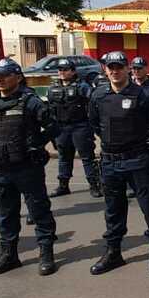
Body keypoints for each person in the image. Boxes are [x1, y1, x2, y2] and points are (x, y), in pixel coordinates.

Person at [88, 52, 149, 276]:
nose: (114, 71)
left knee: (148, 206)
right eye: (110, 67)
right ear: (105, 69)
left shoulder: (143, 95)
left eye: (119, 67)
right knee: (113, 209)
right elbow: (95, 124)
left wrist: (147, 148)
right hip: (110, 161)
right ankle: (113, 252)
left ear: (127, 69)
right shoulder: (98, 96)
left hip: (137, 160)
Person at [0, 57, 59, 277]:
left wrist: (35, 144)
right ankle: (9, 255)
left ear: (18, 77)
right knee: (6, 214)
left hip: (26, 167)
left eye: (5, 75)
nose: (0, 79)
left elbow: (54, 127)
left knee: (39, 210)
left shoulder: (31, 101)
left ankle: (46, 252)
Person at [46, 58, 101, 198]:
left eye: (65, 70)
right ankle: (63, 185)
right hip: (61, 128)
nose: (62, 72)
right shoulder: (52, 88)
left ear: (73, 71)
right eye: (60, 70)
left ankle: (94, 185)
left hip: (80, 126)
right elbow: (50, 110)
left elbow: (94, 103)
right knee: (64, 157)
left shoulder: (82, 87)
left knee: (87, 157)